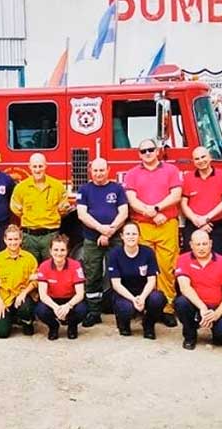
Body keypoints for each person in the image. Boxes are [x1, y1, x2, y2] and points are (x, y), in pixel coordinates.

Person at [123, 138, 182, 326]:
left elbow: (176, 195)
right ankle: (144, 306)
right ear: (139, 154)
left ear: (158, 151)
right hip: (142, 226)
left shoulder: (171, 170)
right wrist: (149, 212)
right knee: (143, 268)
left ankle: (167, 308)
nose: (147, 153)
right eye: (143, 151)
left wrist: (155, 209)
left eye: (150, 149)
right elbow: (131, 199)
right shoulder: (132, 174)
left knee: (167, 267)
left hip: (166, 223)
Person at [77, 157, 128, 327]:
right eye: (96, 170)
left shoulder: (117, 188)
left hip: (115, 239)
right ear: (91, 171)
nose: (99, 174)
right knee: (92, 276)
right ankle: (94, 312)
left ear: (108, 170)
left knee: (120, 274)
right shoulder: (84, 189)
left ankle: (123, 311)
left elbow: (124, 212)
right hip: (92, 240)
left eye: (102, 170)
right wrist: (101, 230)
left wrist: (110, 231)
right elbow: (81, 214)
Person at [173, 230, 222, 350]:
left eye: (204, 244)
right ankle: (190, 336)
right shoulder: (183, 259)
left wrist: (216, 315)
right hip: (196, 306)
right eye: (198, 244)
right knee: (181, 303)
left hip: (217, 308)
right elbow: (184, 287)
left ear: (211, 243)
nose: (201, 248)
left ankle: (217, 334)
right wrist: (202, 307)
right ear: (191, 245)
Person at [105, 222, 165, 339]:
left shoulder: (148, 252)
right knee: (126, 308)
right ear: (122, 236)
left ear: (139, 236)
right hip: (124, 293)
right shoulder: (114, 254)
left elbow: (152, 280)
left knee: (158, 299)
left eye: (134, 234)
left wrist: (142, 297)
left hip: (144, 292)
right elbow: (116, 284)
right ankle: (124, 324)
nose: (131, 237)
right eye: (127, 234)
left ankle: (148, 324)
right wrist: (133, 299)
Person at [10, 153, 70, 262]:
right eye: (35, 166)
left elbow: (63, 210)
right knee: (30, 270)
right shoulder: (21, 188)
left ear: (46, 166)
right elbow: (16, 209)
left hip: (50, 236)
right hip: (29, 237)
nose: (37, 170)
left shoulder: (57, 186)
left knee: (52, 268)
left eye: (40, 166)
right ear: (29, 167)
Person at [181, 146, 222, 256]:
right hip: (193, 224)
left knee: (217, 258)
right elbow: (183, 203)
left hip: (216, 225)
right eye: (197, 159)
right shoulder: (188, 177)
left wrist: (206, 219)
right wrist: (196, 220)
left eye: (203, 157)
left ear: (210, 157)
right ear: (193, 161)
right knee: (189, 257)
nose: (201, 161)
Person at [35, 234, 87, 340]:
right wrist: (56, 308)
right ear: (50, 251)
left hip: (70, 299)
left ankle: (72, 326)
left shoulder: (75, 265)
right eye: (56, 250)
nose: (59, 253)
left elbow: (80, 293)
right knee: (40, 310)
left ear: (67, 251)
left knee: (82, 310)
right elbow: (43, 295)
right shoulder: (44, 266)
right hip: (52, 300)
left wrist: (68, 306)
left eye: (62, 250)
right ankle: (53, 327)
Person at [0, 225, 39, 338]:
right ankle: (10, 318)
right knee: (1, 333)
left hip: (21, 297)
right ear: (5, 240)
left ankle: (26, 321)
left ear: (21, 240)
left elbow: (35, 281)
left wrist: (24, 293)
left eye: (16, 239)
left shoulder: (29, 258)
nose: (13, 242)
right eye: (10, 239)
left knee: (26, 307)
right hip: (4, 298)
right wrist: (0, 301)